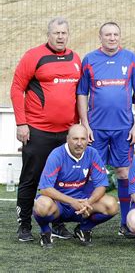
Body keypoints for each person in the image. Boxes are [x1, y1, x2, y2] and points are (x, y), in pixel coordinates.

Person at [10, 17, 81, 242]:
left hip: (66, 133)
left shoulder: (75, 58)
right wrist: (21, 123)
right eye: (56, 33)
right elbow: (16, 88)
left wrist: (79, 126)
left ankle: (57, 222)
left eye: (64, 33)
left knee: (61, 179)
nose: (60, 37)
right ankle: (24, 226)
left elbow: (78, 95)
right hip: (38, 130)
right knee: (31, 178)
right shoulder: (34, 56)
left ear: (68, 34)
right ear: (48, 34)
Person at [77, 22, 135, 238]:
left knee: (124, 172)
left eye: (116, 34)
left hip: (123, 129)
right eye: (108, 34)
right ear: (100, 37)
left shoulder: (131, 59)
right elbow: (82, 94)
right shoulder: (89, 60)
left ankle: (126, 222)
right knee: (90, 175)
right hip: (96, 128)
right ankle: (84, 220)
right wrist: (85, 124)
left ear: (120, 36)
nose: (112, 38)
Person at [32, 124, 119, 248]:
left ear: (88, 140)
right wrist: (72, 201)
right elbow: (45, 188)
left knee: (112, 205)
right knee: (42, 205)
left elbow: (101, 185)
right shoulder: (57, 155)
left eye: (83, 139)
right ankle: (45, 231)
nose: (79, 143)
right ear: (67, 139)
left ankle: (84, 229)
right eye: (75, 139)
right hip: (59, 204)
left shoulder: (92, 153)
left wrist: (89, 202)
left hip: (83, 203)